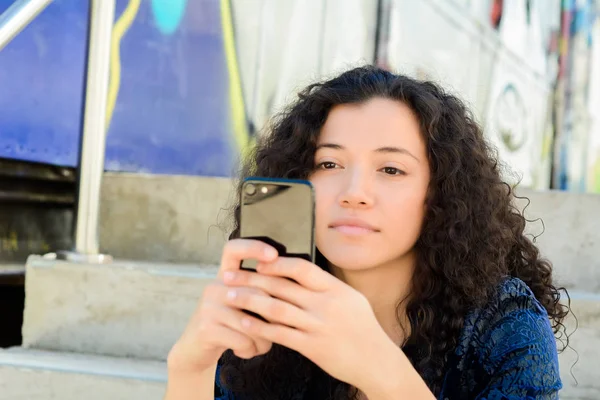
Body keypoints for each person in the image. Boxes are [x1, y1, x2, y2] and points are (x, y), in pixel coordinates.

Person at [164, 66, 570, 400]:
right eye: (328, 165)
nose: (354, 193)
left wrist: (381, 369)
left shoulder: (503, 325)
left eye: (391, 169)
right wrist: (189, 368)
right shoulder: (268, 313)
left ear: (440, 194)